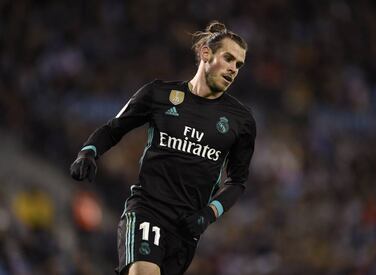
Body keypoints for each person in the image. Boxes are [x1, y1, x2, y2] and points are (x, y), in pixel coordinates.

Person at [70, 20, 256, 275]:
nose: (233, 69)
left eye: (239, 65)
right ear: (205, 53)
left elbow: (237, 182)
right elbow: (113, 129)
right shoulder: (158, 94)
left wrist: (208, 214)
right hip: (148, 210)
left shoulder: (241, 120)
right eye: (228, 58)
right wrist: (89, 152)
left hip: (187, 229)